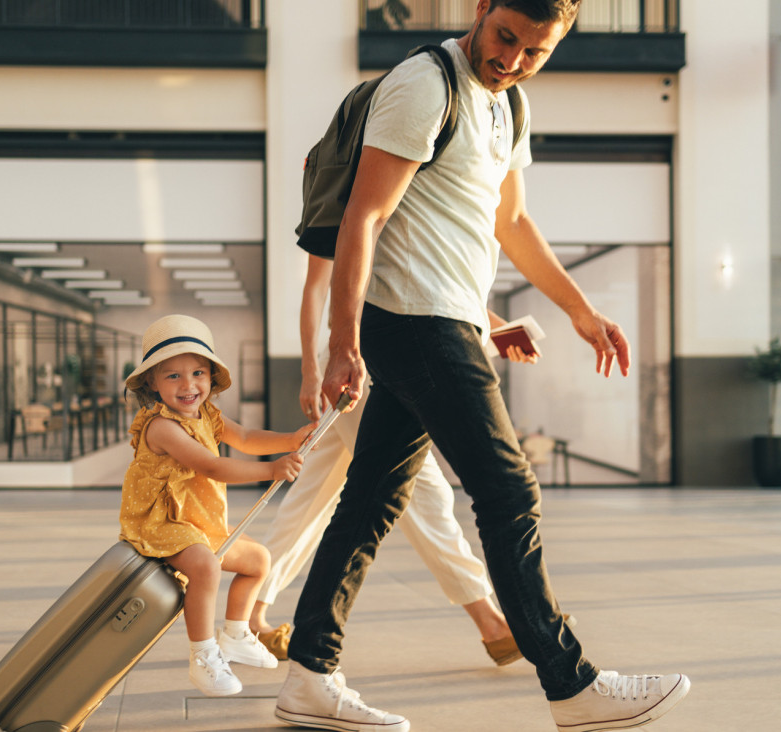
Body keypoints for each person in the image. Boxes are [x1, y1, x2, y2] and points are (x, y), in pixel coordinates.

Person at [274, 1, 691, 731]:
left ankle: (309, 672)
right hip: (416, 325)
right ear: (480, 11)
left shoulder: (510, 106)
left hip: (446, 322)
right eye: (505, 38)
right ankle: (571, 684)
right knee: (508, 493)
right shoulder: (424, 86)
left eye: (535, 50)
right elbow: (363, 219)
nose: (513, 60)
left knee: (369, 503)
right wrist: (343, 344)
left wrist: (579, 311)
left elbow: (510, 223)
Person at [249, 254, 530, 666]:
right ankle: (492, 624)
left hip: (394, 363)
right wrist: (311, 370)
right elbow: (315, 289)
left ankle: (247, 613)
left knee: (312, 498)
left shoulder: (408, 210)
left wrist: (499, 329)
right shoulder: (346, 201)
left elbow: (427, 286)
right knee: (423, 492)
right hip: (354, 369)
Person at [119, 314, 314, 698]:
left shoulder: (208, 415)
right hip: (162, 522)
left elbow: (246, 437)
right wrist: (272, 469)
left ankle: (238, 633)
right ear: (152, 384)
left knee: (258, 560)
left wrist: (290, 439)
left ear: (210, 377)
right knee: (206, 566)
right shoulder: (162, 427)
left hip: (197, 522)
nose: (188, 385)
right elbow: (212, 466)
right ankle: (202, 654)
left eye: (197, 373)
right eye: (172, 376)